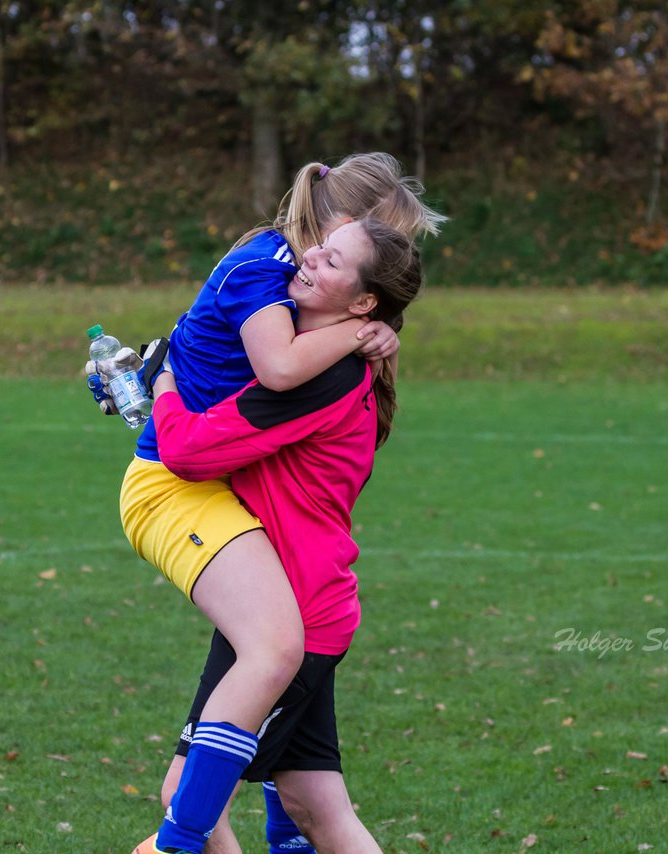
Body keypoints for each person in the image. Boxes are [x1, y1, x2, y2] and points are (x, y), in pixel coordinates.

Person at [102, 154, 444, 853]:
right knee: (317, 810)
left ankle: (175, 844)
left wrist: (162, 385)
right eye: (328, 244)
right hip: (305, 594)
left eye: (341, 258)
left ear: (366, 296)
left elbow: (199, 445)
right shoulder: (313, 322)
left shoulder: (321, 367)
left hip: (298, 602)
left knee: (202, 797)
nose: (311, 258)